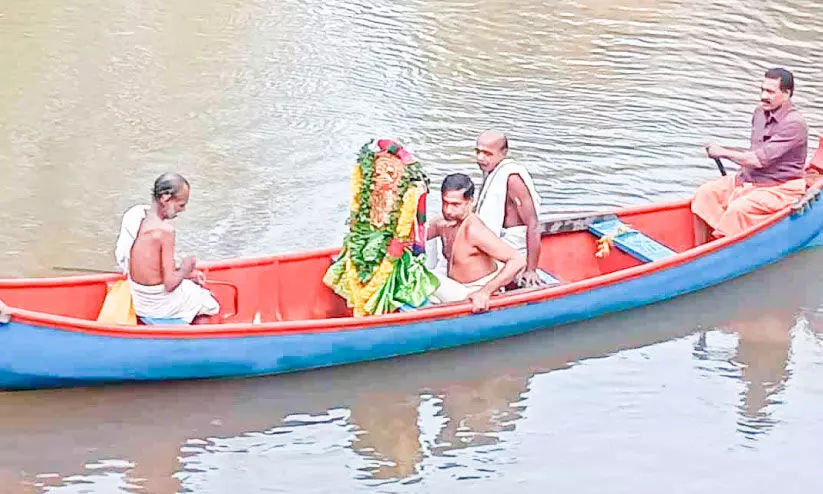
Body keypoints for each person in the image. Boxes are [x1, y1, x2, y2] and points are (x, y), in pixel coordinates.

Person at [692, 68, 809, 243]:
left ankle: (723, 249)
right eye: (762, 90)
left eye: (770, 92)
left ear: (787, 93)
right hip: (749, 178)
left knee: (738, 210)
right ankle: (699, 249)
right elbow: (754, 152)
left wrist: (722, 152)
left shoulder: (794, 124)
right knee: (704, 194)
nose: (763, 96)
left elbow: (758, 160)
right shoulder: (759, 113)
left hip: (781, 187)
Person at [125, 173, 219, 324]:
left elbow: (153, 268)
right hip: (157, 305)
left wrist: (186, 275)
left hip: (138, 299)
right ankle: (198, 333)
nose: (182, 210)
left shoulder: (138, 218)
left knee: (190, 287)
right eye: (181, 205)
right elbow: (169, 284)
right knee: (208, 302)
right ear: (165, 199)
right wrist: (185, 269)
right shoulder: (165, 231)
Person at [428, 173, 525, 312]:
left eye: (455, 205)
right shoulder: (442, 223)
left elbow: (518, 260)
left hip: (473, 291)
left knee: (423, 276)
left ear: (470, 202)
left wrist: (485, 292)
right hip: (455, 283)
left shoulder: (474, 229)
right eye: (445, 203)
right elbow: (413, 237)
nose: (448, 210)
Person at [473, 130, 546, 287]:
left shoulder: (512, 179)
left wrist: (531, 269)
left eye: (487, 153)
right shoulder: (491, 171)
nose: (480, 158)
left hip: (512, 249)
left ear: (503, 153)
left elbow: (533, 224)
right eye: (478, 152)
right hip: (495, 243)